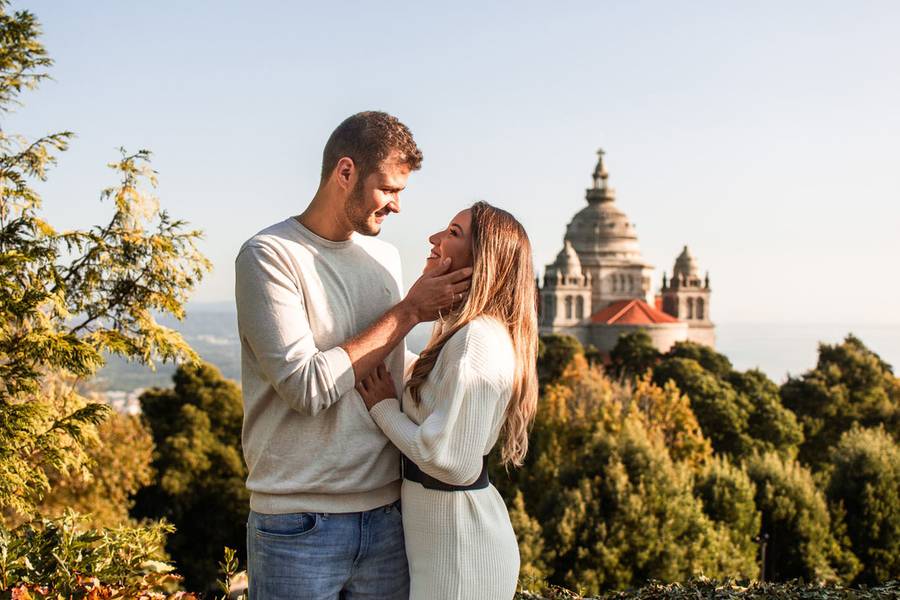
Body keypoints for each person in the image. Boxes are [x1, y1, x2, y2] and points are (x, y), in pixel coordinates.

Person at [235, 111, 472, 599]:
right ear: (346, 173)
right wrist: (409, 312)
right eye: (389, 189)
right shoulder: (269, 256)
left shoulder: (384, 257)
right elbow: (307, 388)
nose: (398, 206)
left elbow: (390, 369)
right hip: (297, 525)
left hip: (388, 516)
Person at [357, 201, 539, 600]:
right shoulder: (460, 335)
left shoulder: (478, 341)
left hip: (462, 553)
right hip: (445, 544)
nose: (434, 239)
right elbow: (425, 391)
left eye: (453, 233)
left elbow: (452, 461)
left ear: (482, 262)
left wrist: (383, 409)